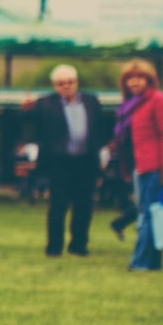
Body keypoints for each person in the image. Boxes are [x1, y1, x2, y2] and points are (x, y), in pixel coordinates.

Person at [22, 65, 104, 257]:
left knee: (84, 206)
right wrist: (25, 110)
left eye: (70, 82)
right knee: (58, 206)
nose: (66, 86)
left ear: (76, 83)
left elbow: (100, 128)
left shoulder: (91, 101)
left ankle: (79, 245)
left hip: (86, 161)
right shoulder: (44, 103)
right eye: (61, 83)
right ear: (55, 86)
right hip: (59, 163)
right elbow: (25, 123)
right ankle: (54, 247)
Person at [115, 59, 163, 272]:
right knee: (150, 215)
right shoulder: (129, 105)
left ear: (149, 80)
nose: (135, 82)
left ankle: (139, 263)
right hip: (138, 167)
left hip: (155, 167)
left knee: (147, 216)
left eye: (140, 78)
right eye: (130, 78)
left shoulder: (159, 101)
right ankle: (152, 263)